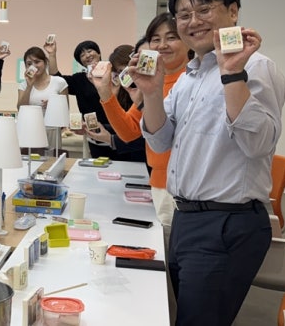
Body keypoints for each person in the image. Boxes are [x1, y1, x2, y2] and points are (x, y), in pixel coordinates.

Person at [137, 0, 285, 326]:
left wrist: (232, 74)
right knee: (186, 315)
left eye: (204, 10)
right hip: (187, 216)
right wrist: (151, 92)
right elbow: (160, 140)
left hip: (226, 221)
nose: (193, 22)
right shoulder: (190, 75)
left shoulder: (257, 66)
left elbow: (257, 144)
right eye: (183, 15)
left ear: (233, 11)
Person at [91, 13, 190, 227]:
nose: (162, 45)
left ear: (186, 38)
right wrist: (105, 92)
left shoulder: (195, 77)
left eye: (171, 37)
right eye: (156, 39)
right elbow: (129, 131)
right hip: (160, 182)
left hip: (193, 187)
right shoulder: (153, 81)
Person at [47, 39, 118, 158]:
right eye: (82, 55)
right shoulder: (79, 80)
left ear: (99, 53)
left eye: (89, 51)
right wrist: (52, 54)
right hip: (95, 134)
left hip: (119, 131)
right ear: (81, 62)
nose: (87, 55)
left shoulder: (114, 74)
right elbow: (57, 79)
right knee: (100, 165)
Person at [83, 45, 147, 163]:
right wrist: (99, 127)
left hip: (144, 158)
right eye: (118, 72)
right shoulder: (126, 90)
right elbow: (128, 123)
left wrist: (111, 139)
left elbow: (150, 135)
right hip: (132, 159)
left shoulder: (147, 90)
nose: (124, 75)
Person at [17, 46, 68, 148]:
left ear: (45, 62)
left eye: (37, 62)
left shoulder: (59, 82)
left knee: (52, 156)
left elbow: (65, 111)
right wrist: (29, 85)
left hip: (52, 130)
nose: (33, 66)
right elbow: (20, 108)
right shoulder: (23, 85)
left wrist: (54, 105)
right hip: (29, 129)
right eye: (29, 64)